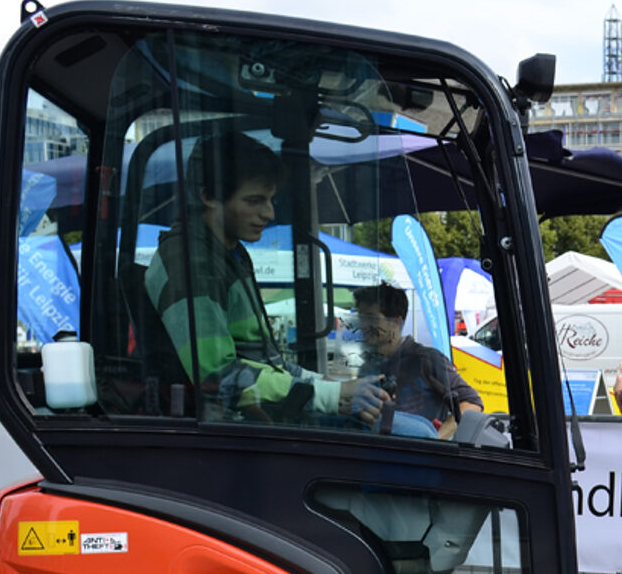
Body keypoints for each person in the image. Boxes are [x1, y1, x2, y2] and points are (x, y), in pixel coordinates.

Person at [146, 132, 387, 424]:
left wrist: (331, 383)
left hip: (263, 414)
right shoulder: (191, 265)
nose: (270, 213)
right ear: (208, 196)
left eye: (270, 200)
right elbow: (216, 378)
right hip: (239, 426)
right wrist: (328, 395)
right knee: (414, 433)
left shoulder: (229, 253)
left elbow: (268, 363)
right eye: (254, 201)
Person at [353, 282, 483, 438]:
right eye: (361, 318)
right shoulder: (368, 367)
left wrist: (435, 441)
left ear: (396, 322)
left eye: (372, 319)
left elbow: (471, 403)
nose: (363, 326)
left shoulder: (425, 359)